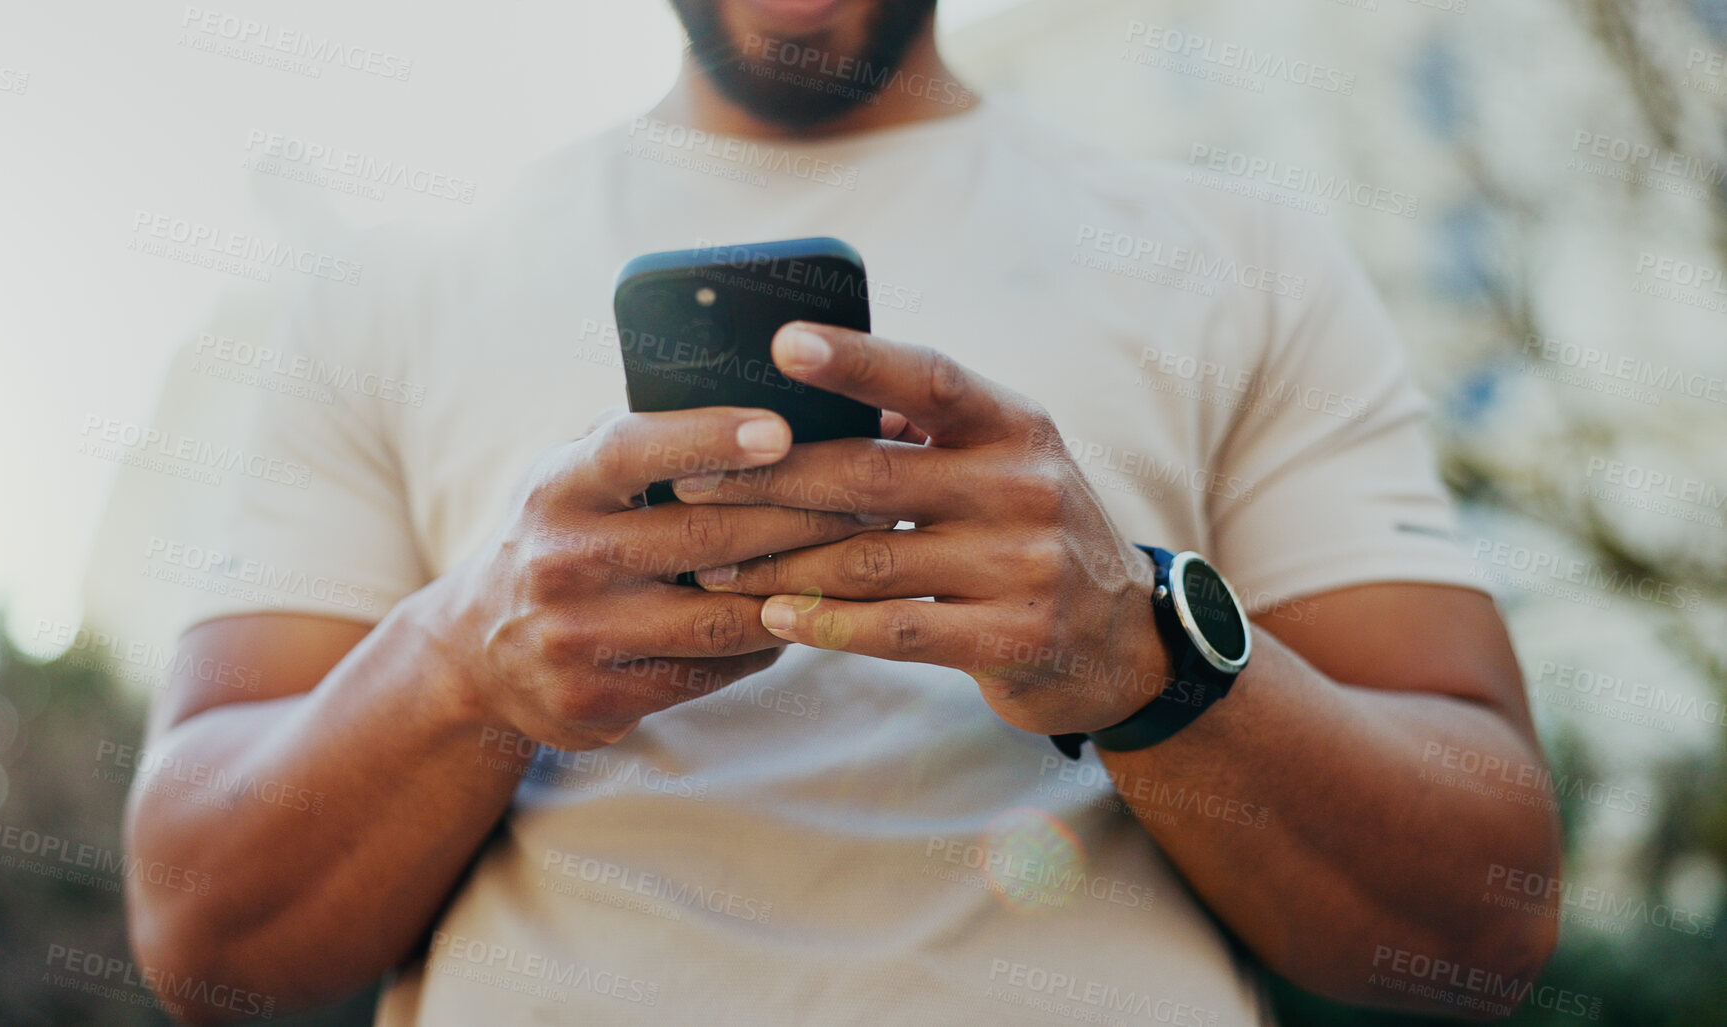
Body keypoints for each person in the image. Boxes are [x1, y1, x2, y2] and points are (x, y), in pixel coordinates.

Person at [123, 0, 1563, 1022]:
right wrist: (456, 666)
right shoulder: (384, 301)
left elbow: (1484, 920)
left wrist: (1144, 654)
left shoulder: (1245, 262)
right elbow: (203, 937)